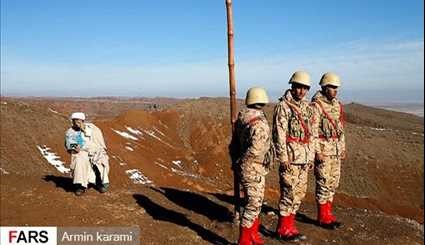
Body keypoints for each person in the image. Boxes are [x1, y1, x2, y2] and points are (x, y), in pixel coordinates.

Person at [272, 71, 316, 242]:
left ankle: (290, 226)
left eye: (304, 88)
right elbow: (279, 134)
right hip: (290, 157)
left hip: (304, 157)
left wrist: (311, 156)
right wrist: (283, 157)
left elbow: (311, 133)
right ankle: (283, 228)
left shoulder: (307, 107)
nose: (301, 91)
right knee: (288, 192)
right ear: (292, 86)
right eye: (298, 87)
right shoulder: (283, 106)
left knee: (299, 193)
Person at [230, 87, 271, 245]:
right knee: (254, 204)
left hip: (247, 166)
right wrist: (246, 162)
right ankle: (244, 239)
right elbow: (256, 149)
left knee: (252, 201)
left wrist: (239, 162)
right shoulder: (259, 124)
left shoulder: (243, 118)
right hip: (253, 167)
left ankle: (252, 235)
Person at [311, 72, 345, 229]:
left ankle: (329, 214)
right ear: (324, 87)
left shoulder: (337, 105)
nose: (335, 90)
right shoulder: (316, 105)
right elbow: (312, 131)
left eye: (336, 87)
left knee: (333, 182)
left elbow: (340, 128)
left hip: (336, 149)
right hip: (324, 150)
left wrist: (343, 147)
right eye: (332, 87)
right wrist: (317, 151)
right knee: (323, 182)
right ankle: (322, 217)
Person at [65, 112, 110, 196]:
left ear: (83, 121)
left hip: (95, 150)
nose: (76, 123)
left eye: (78, 121)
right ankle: (81, 186)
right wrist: (75, 147)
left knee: (100, 160)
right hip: (82, 152)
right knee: (79, 161)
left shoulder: (93, 128)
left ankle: (100, 183)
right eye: (74, 121)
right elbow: (69, 143)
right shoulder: (71, 132)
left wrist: (85, 131)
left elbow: (99, 142)